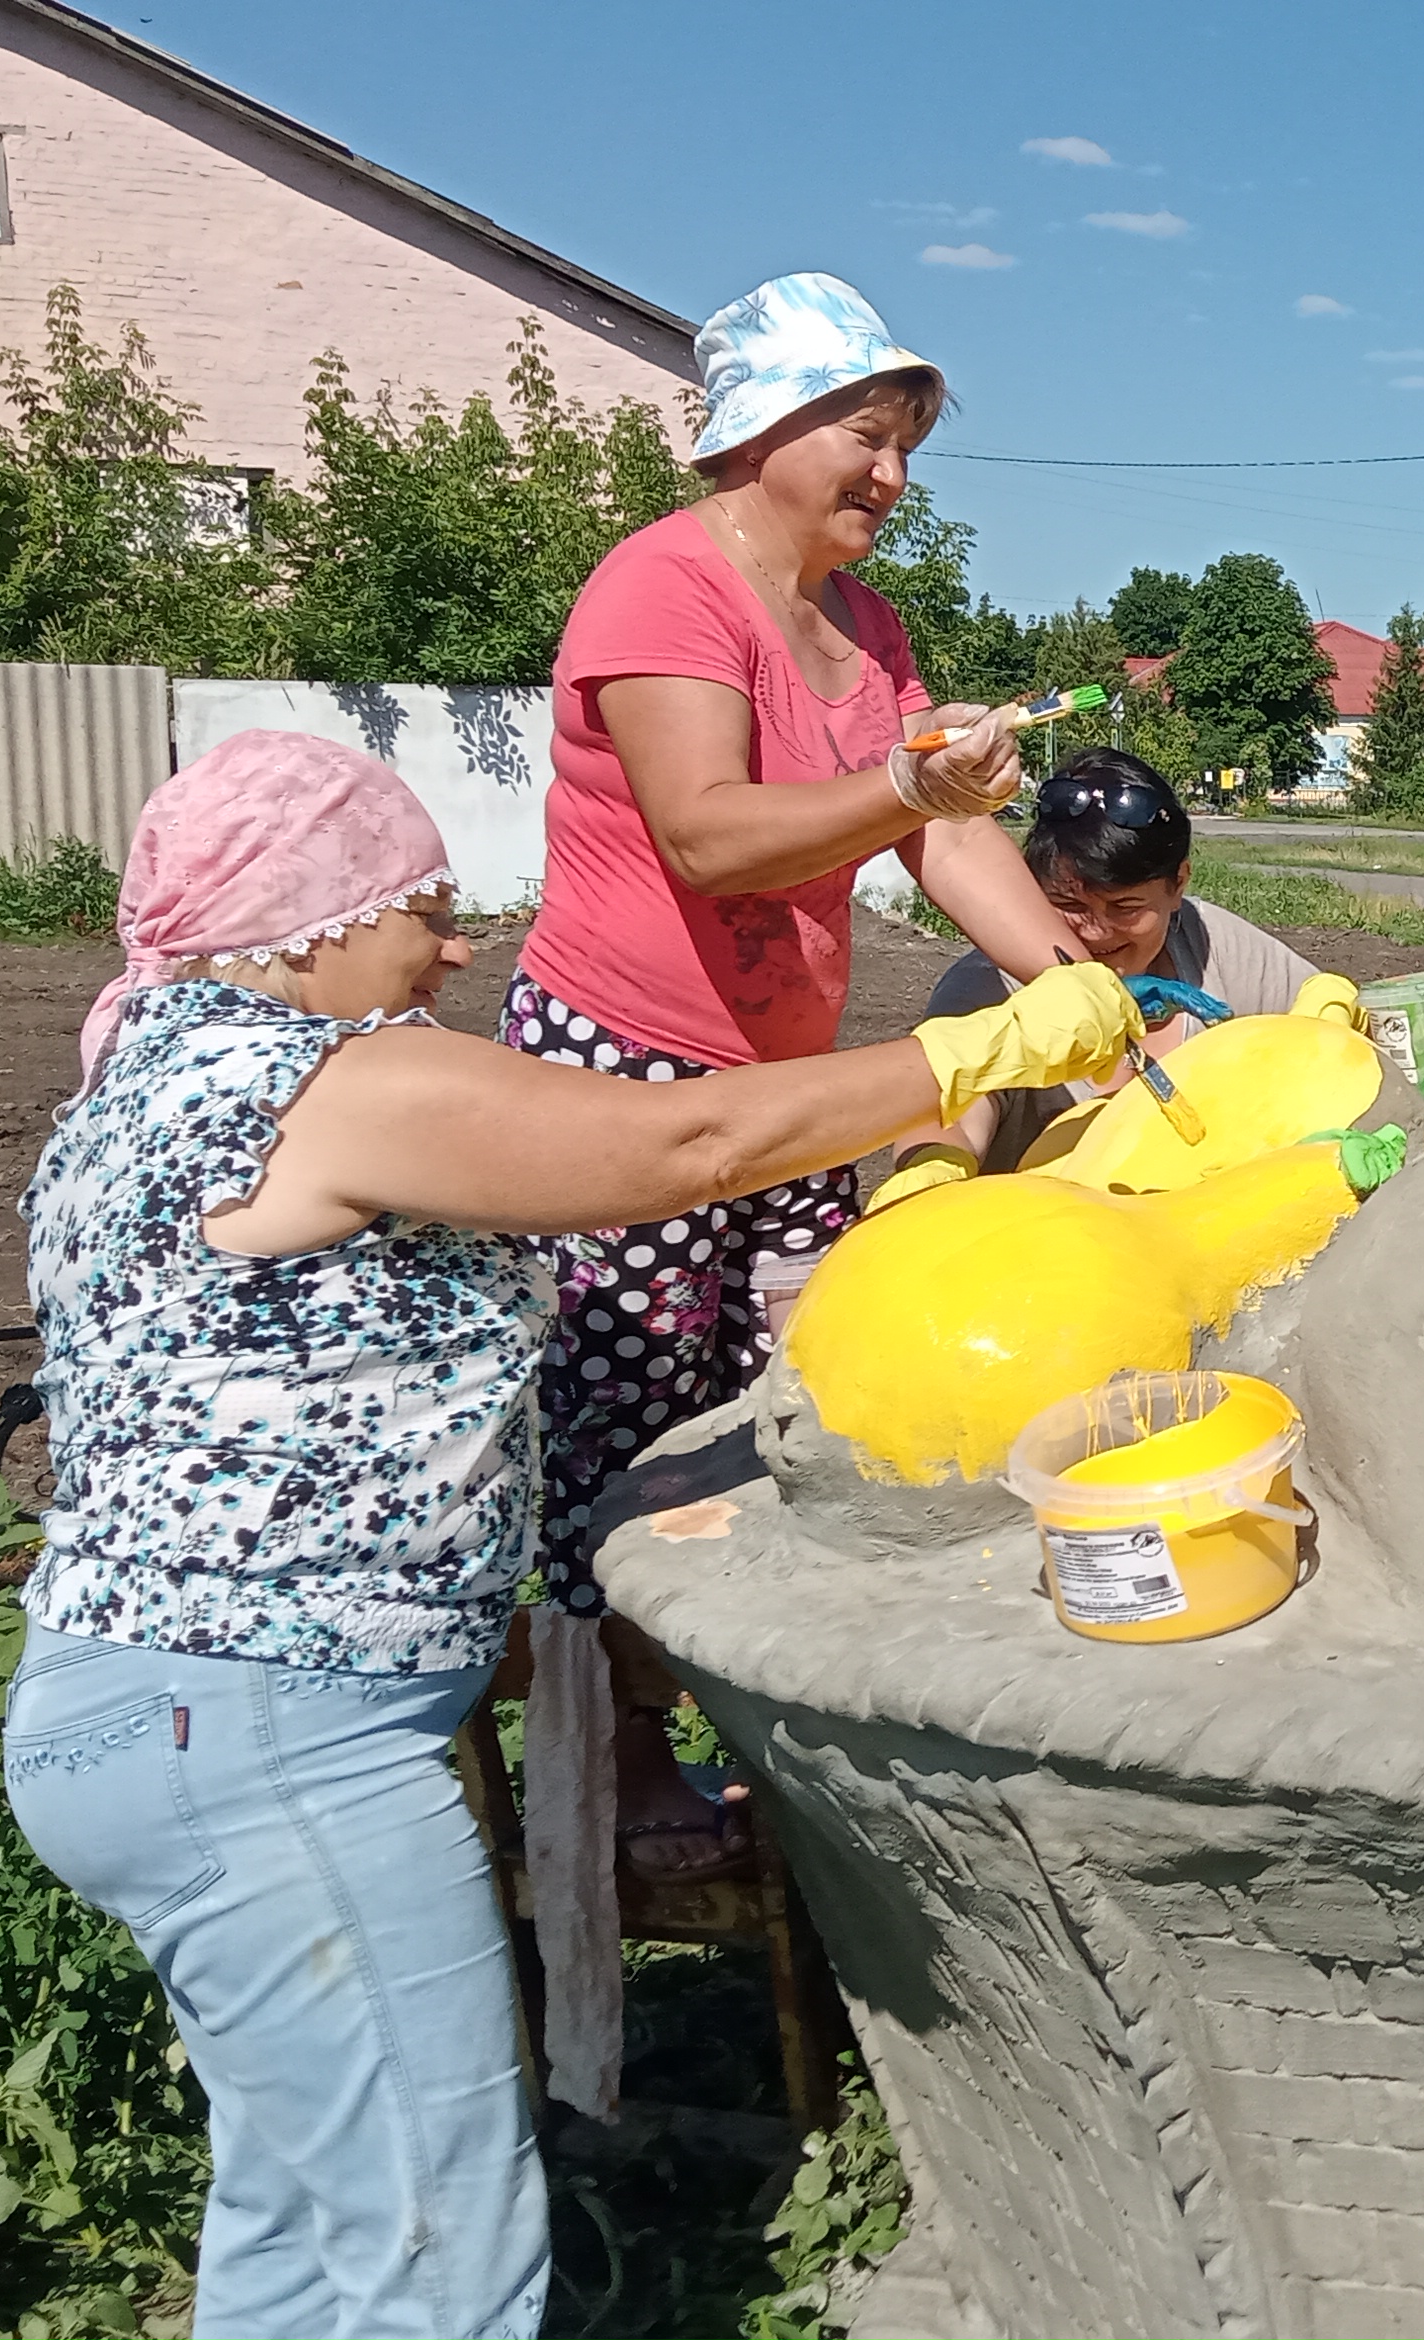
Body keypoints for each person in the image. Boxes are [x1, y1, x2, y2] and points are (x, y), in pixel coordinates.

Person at [0, 731, 1134, 2340]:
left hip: (133, 1707)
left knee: (301, 2210)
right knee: (436, 2249)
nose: (457, 947)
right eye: (424, 907)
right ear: (313, 920)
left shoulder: (136, 1082)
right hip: (276, 1732)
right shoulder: (326, 1079)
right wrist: (985, 1050)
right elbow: (683, 1149)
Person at [513, 270, 1078, 1873]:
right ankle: (607, 1779)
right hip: (620, 1074)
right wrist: (902, 780)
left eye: (906, 447)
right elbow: (708, 833)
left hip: (776, 1087)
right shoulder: (661, 587)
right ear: (761, 430)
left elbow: (944, 834)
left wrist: (1081, 984)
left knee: (753, 1422)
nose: (892, 479)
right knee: (614, 1422)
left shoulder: (869, 627)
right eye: (866, 437)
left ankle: (731, 1737)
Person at [920, 748, 1327, 1168]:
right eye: (1067, 903)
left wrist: (1330, 1013)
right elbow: (945, 1118)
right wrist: (934, 1166)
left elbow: (1335, 1036)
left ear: (1178, 884)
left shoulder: (1210, 942)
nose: (1094, 931)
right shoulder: (988, 986)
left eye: (1125, 907)